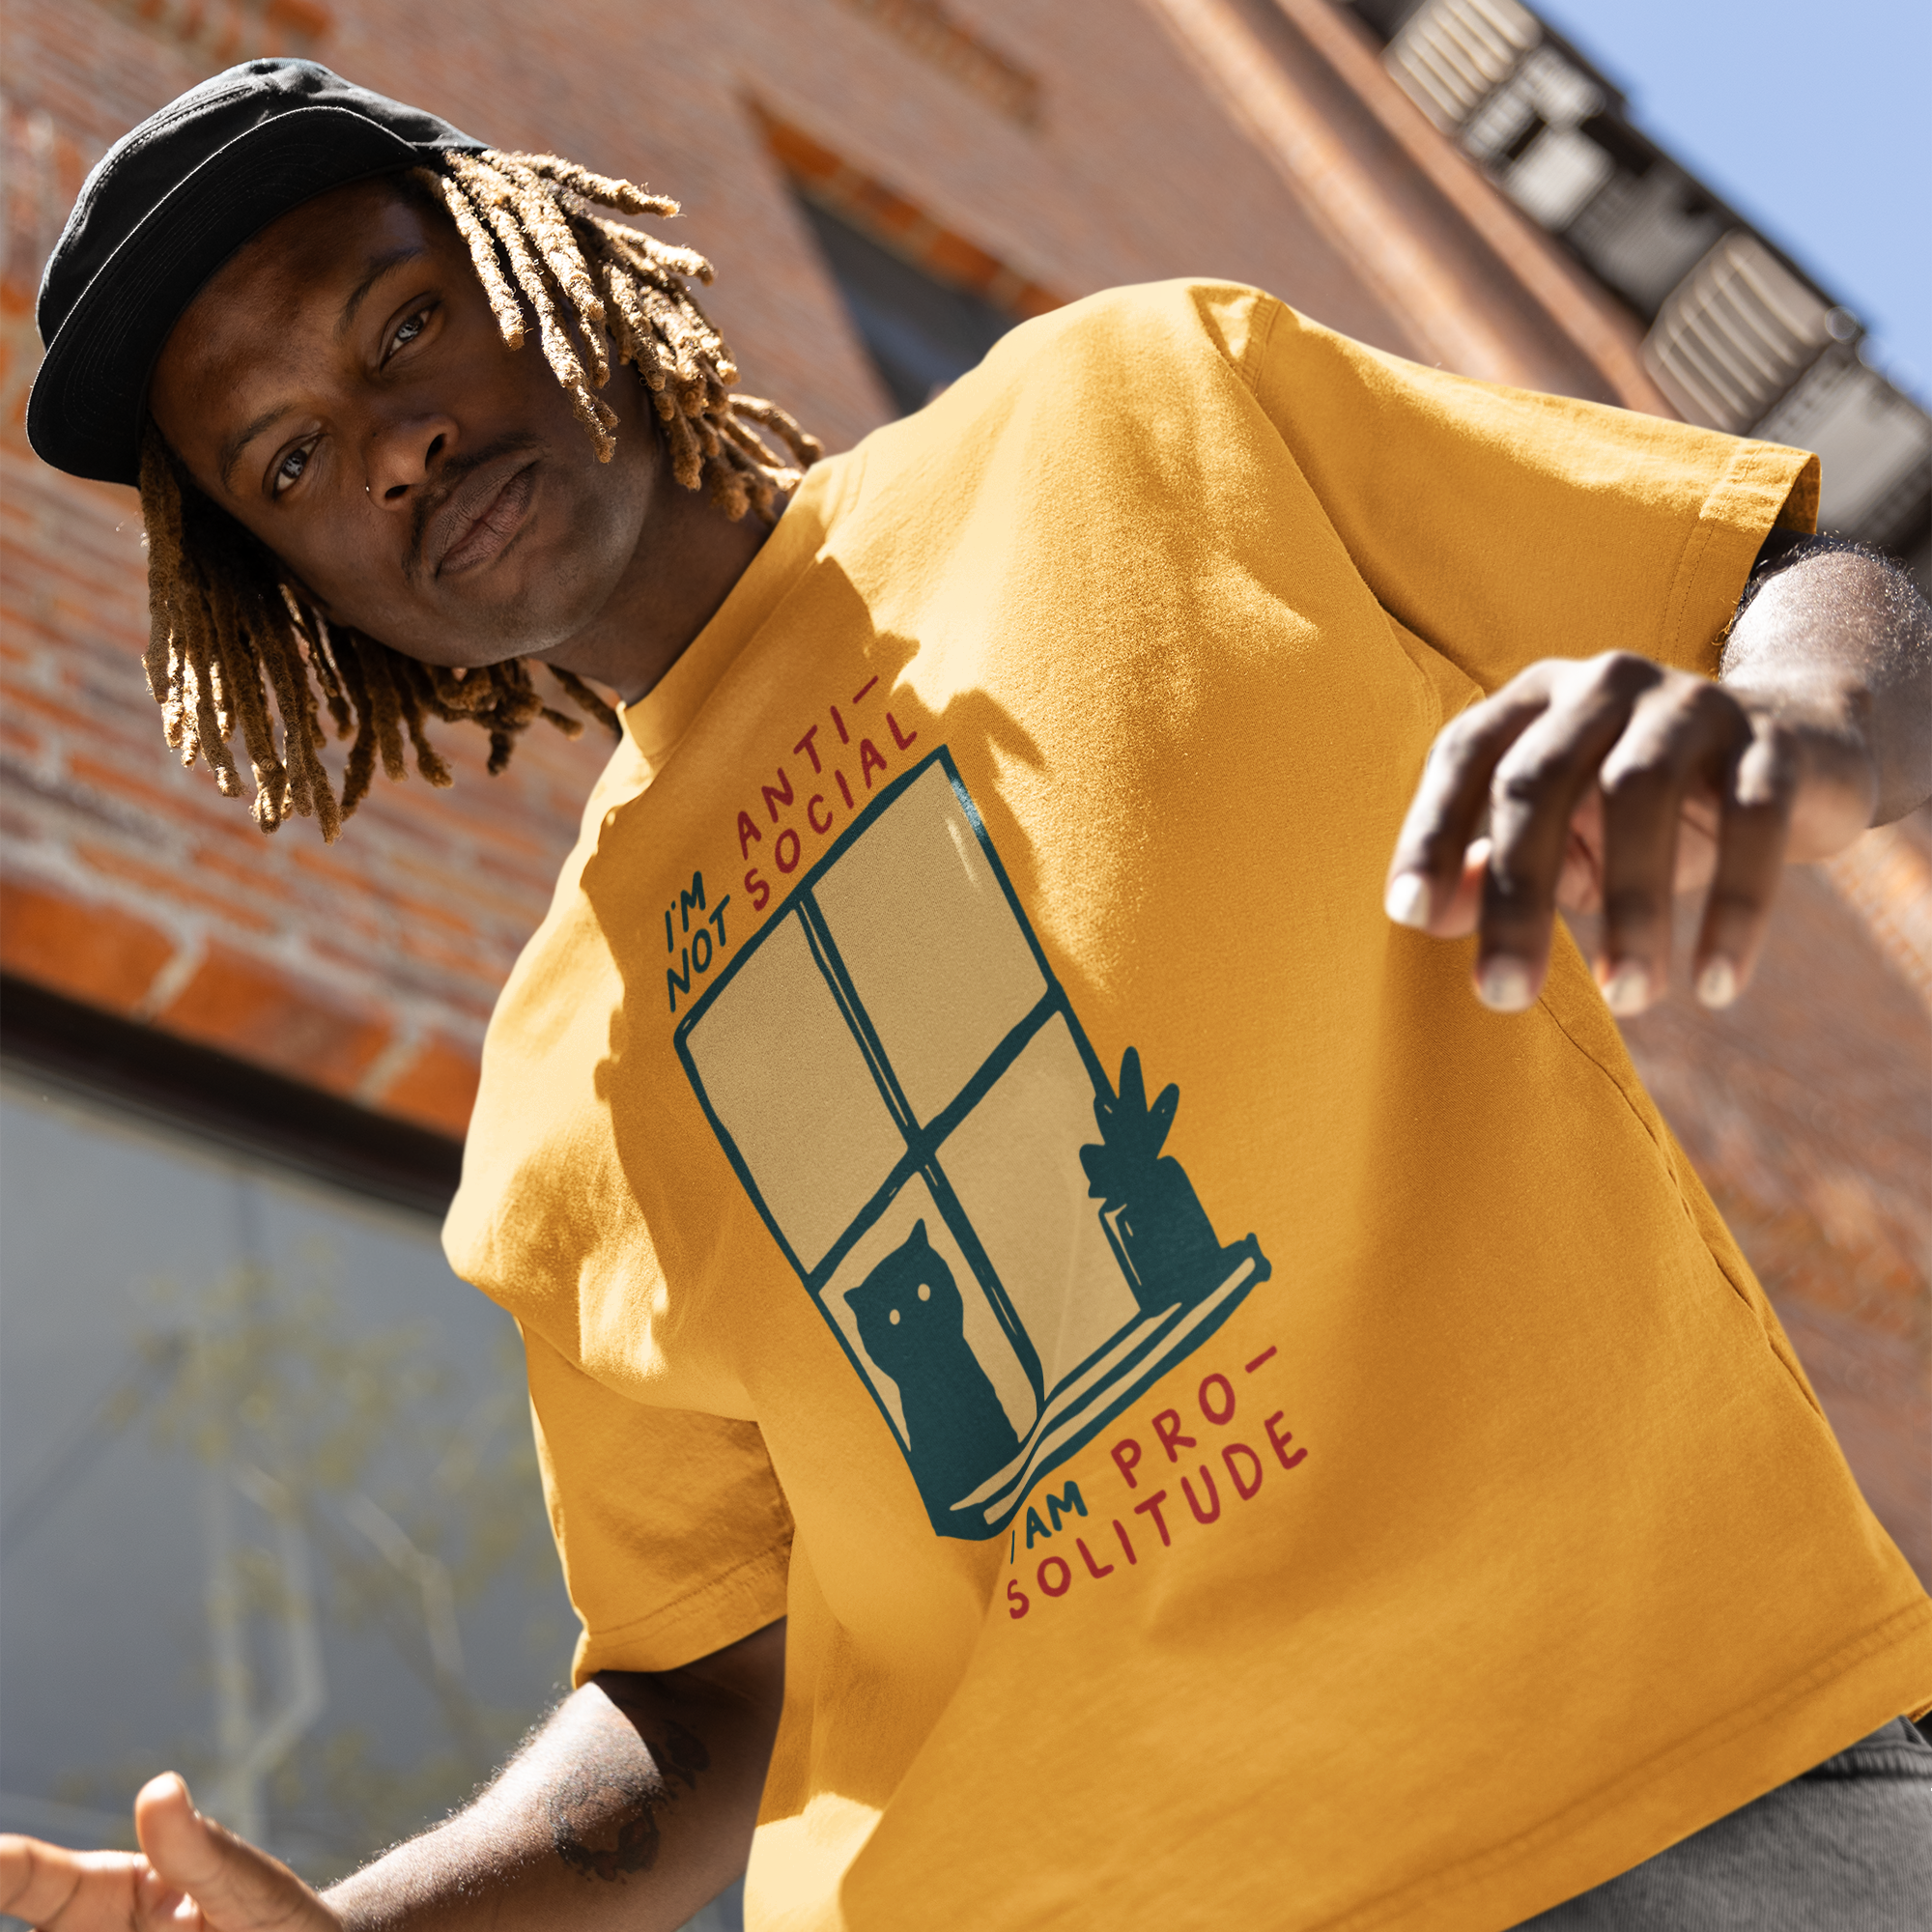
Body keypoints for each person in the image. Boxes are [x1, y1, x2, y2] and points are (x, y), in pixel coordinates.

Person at [6, 56, 1932, 1932]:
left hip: (1680, 1791)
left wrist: (1789, 724)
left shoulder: (1136, 407)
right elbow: (702, 1705)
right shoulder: (552, 1079)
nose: (392, 441)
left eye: (403, 328)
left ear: (541, 255)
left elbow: (1792, 568)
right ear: (300, 593)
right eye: (294, 461)